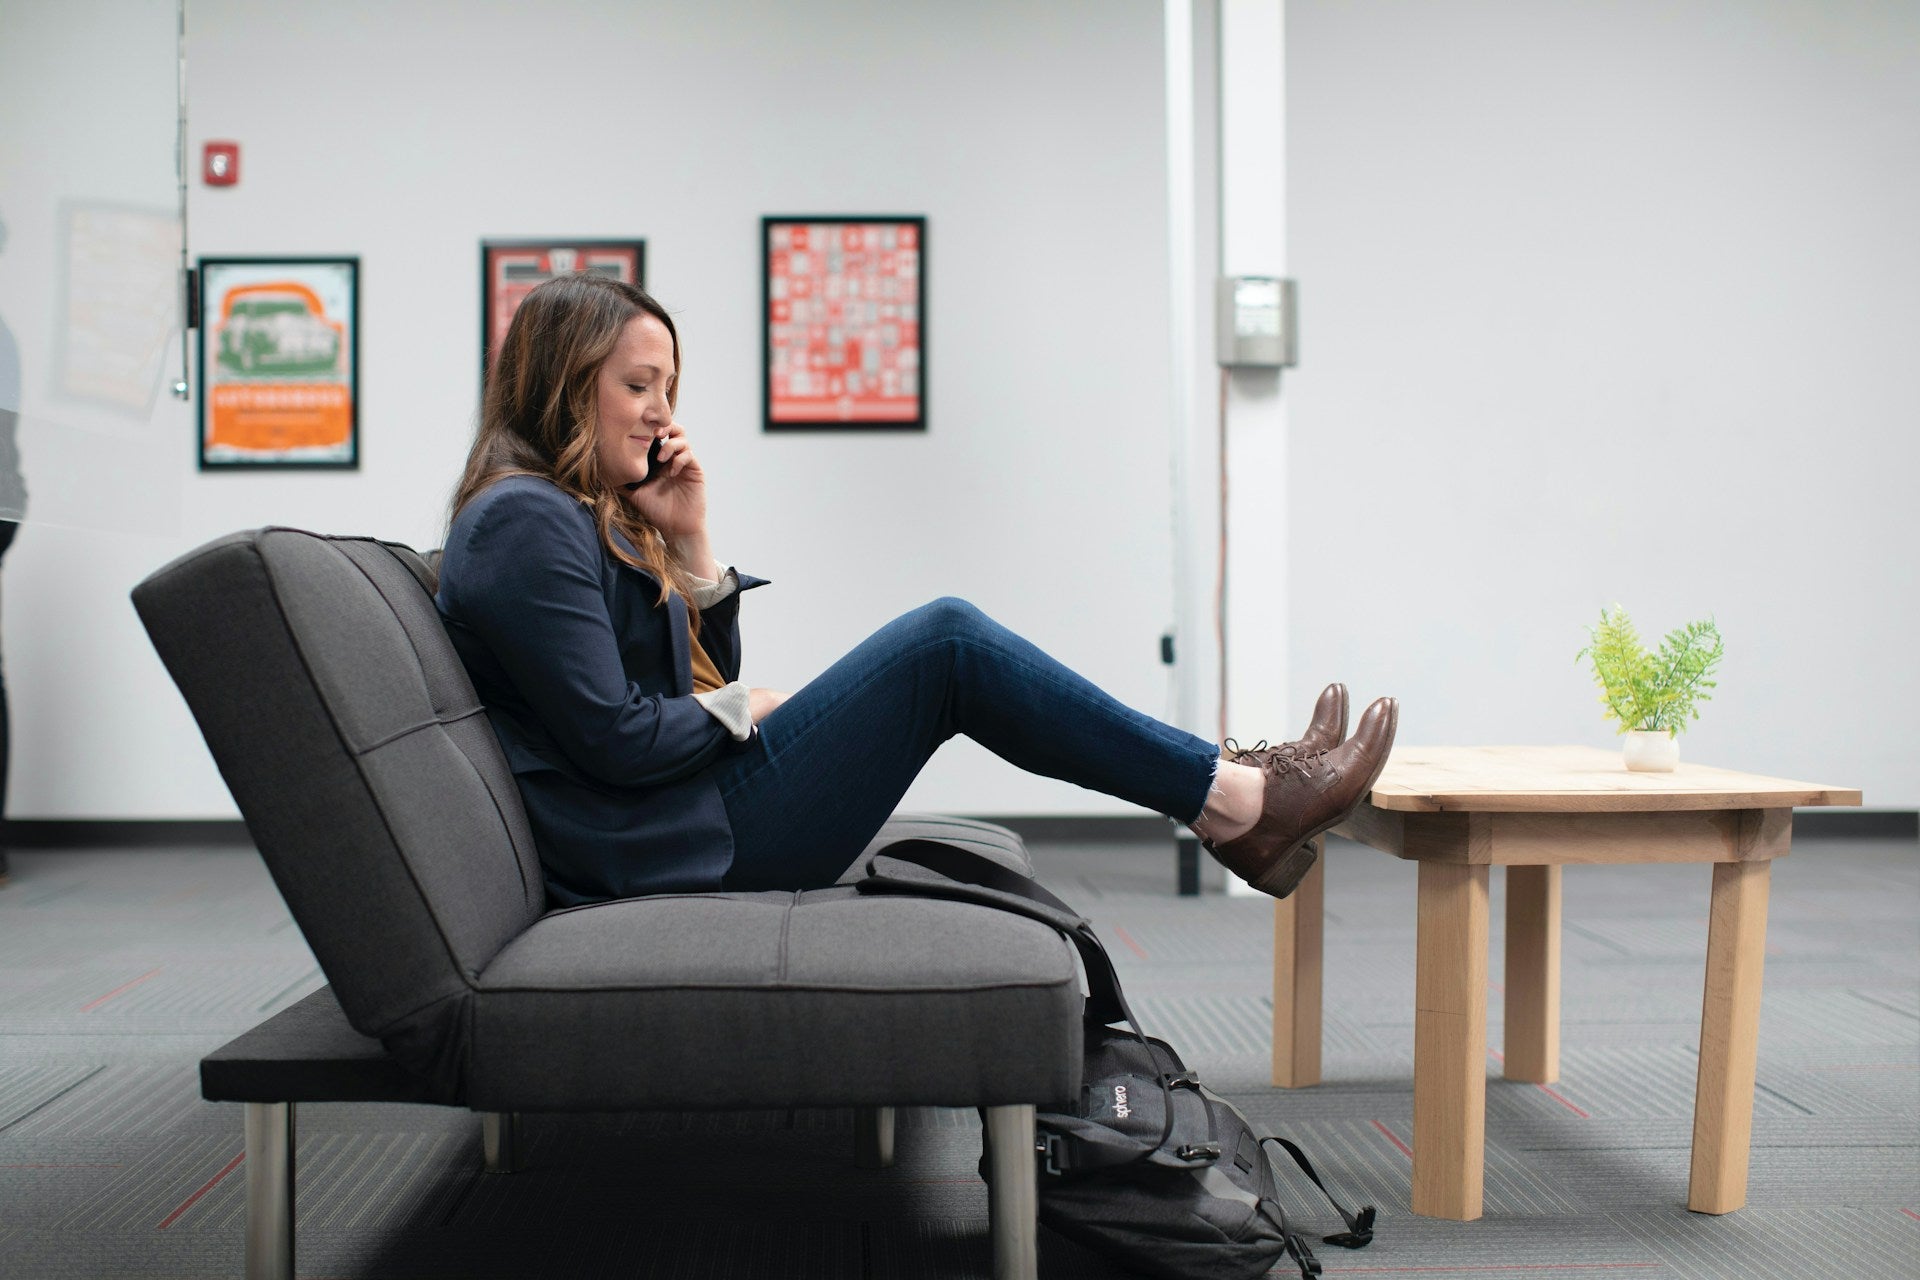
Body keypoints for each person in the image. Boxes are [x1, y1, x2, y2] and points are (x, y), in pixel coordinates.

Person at [435, 274, 1396, 908]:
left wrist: (689, 542)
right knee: (948, 645)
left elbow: (673, 686)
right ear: (566, 383)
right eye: (639, 385)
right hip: (668, 845)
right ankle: (1237, 799)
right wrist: (747, 708)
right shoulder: (523, 522)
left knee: (948, 644)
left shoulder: (564, 511)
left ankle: (1236, 799)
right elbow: (616, 736)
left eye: (670, 389)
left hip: (683, 820)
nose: (662, 414)